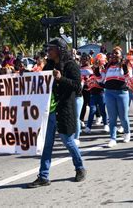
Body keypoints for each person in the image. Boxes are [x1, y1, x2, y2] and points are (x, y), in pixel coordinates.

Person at [28, 38, 86, 187]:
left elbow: (77, 87)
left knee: (68, 141)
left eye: (51, 49)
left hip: (64, 109)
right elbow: (41, 82)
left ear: (59, 49)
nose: (48, 52)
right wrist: (25, 76)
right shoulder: (49, 65)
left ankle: (80, 168)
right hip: (49, 111)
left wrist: (61, 78)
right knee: (47, 144)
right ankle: (43, 176)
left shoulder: (71, 65)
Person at [101, 46, 131, 148]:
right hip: (109, 93)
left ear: (121, 55)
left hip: (122, 93)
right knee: (112, 117)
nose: (114, 55)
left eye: (116, 53)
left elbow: (129, 79)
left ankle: (127, 132)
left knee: (123, 117)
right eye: (113, 53)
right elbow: (101, 79)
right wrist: (97, 69)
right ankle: (112, 138)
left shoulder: (124, 65)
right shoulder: (108, 66)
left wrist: (125, 69)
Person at [84, 53, 109, 134]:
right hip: (92, 93)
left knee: (102, 110)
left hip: (101, 93)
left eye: (98, 61)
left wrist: (97, 83)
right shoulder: (92, 69)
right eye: (96, 61)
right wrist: (88, 82)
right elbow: (88, 79)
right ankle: (88, 127)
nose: (96, 63)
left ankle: (106, 124)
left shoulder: (104, 71)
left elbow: (102, 81)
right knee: (92, 110)